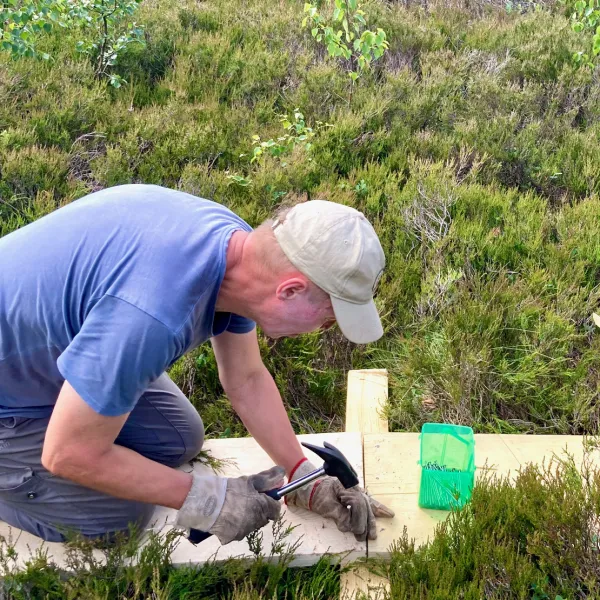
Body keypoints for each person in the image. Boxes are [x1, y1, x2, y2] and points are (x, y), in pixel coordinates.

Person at [0, 184, 393, 546]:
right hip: (11, 397)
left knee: (177, 436)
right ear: (289, 290)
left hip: (42, 358)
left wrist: (301, 474)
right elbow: (68, 454)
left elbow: (247, 378)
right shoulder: (151, 317)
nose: (323, 330)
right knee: (118, 518)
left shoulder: (240, 252)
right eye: (327, 319)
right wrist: (208, 501)